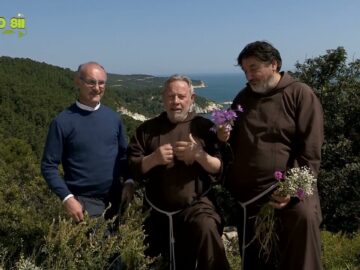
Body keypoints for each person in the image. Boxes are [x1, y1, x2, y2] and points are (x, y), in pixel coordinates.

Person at [218, 41, 324, 270]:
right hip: (251, 196)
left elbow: (311, 150)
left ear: (274, 64)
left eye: (254, 68)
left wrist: (290, 191)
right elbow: (228, 145)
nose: (249, 76)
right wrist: (222, 137)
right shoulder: (243, 98)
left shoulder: (300, 94)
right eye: (245, 70)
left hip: (290, 192)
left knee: (303, 219)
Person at [127, 75, 230, 270]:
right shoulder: (146, 130)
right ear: (163, 98)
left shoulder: (205, 127)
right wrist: (153, 159)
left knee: (206, 229)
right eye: (170, 96)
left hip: (196, 208)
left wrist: (199, 155)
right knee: (155, 262)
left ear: (192, 98)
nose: (176, 102)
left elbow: (221, 168)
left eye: (181, 96)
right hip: (156, 211)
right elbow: (132, 167)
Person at [41, 62, 133, 268]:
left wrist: (129, 180)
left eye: (102, 83)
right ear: (78, 82)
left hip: (116, 200)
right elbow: (48, 166)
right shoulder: (63, 122)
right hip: (85, 202)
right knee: (111, 259)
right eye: (91, 82)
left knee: (117, 254)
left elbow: (123, 155)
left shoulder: (113, 118)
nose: (97, 87)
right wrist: (67, 198)